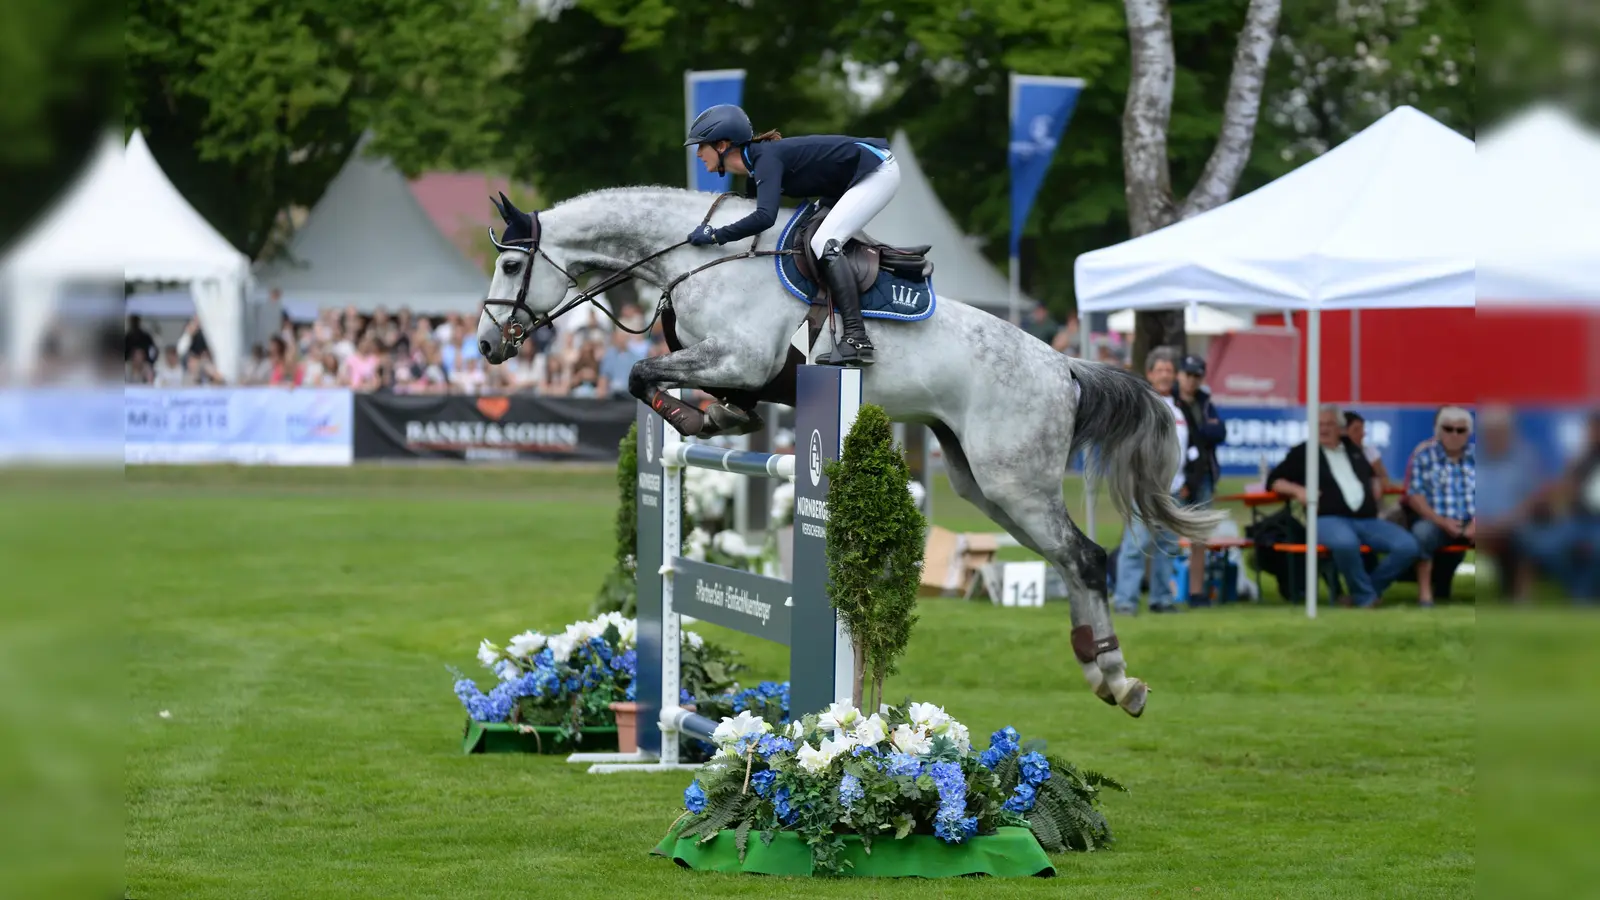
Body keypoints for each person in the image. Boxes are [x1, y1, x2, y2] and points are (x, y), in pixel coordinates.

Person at [682, 104, 899, 367]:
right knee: (807, 235)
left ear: (722, 145)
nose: (697, 154)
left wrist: (715, 235)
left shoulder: (766, 161)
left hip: (876, 171)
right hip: (848, 182)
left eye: (701, 146)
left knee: (825, 242)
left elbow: (764, 217)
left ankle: (857, 337)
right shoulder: (756, 169)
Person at [1268, 404, 1421, 608]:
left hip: (1367, 519)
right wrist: (1299, 491)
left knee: (1408, 546)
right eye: (1319, 424)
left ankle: (1366, 591)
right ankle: (1366, 600)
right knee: (1345, 544)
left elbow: (1373, 473)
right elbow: (1274, 480)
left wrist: (1375, 483)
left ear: (1341, 428)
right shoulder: (1304, 452)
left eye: (1329, 424)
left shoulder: (1354, 449)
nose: (1324, 429)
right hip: (1328, 518)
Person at [1111, 347, 1190, 615]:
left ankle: (1161, 599)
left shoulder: (1180, 409)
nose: (1165, 375)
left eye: (1169, 370)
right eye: (1160, 371)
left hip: (1174, 491)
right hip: (1145, 489)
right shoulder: (1141, 406)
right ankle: (1125, 601)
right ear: (1150, 374)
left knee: (1167, 547)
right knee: (1136, 546)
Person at [1404, 406, 1477, 606]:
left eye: (1460, 430)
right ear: (1438, 431)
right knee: (1422, 533)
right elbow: (1415, 496)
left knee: (1509, 532)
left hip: (1476, 521)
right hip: (1437, 521)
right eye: (1448, 429)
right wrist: (1441, 521)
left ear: (1468, 433)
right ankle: (1425, 593)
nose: (1454, 434)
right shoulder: (1423, 456)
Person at [1172, 355, 1226, 605]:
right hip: (1176, 476)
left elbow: (1219, 432)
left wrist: (1199, 432)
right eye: (1187, 374)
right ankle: (1162, 588)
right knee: (1165, 535)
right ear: (1179, 374)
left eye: (1196, 376)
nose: (1191, 380)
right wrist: (1202, 432)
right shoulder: (1170, 400)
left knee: (1199, 538)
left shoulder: (1205, 402)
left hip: (1202, 475)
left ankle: (1195, 591)